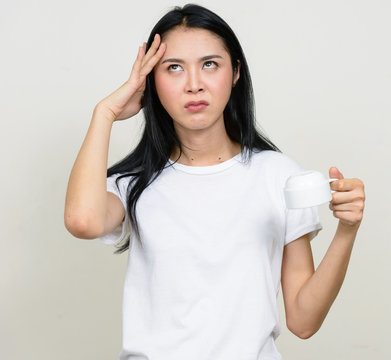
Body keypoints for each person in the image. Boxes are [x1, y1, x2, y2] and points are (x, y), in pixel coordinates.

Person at [64, 4, 365, 360]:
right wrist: (106, 113)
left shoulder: (278, 174)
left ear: (235, 72)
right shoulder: (136, 183)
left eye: (210, 64)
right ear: (150, 80)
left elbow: (303, 320)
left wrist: (347, 230)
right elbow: (82, 221)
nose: (194, 85)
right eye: (173, 68)